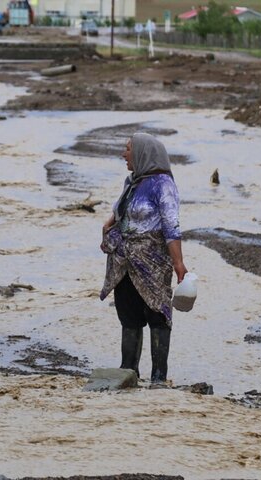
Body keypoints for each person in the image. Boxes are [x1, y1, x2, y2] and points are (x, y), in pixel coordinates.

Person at [100, 132, 188, 385]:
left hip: (152, 265)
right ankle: (128, 373)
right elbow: (121, 212)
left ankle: (159, 378)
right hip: (124, 264)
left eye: (128, 149)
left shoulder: (163, 185)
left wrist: (178, 263)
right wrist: (108, 226)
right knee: (129, 318)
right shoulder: (133, 183)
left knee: (158, 316)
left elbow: (172, 227)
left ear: (142, 153)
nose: (124, 154)